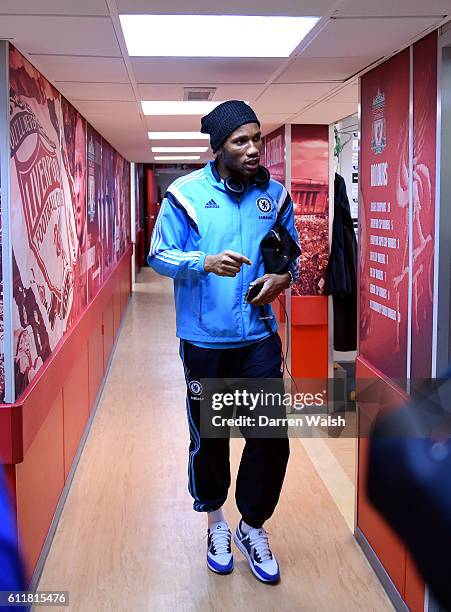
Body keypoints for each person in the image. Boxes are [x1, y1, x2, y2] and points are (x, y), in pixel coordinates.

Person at [148, 100, 300, 583]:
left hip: (258, 335)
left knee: (270, 437)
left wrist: (283, 278)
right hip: (206, 339)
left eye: (257, 138)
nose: (254, 148)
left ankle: (252, 525)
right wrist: (202, 262)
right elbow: (158, 254)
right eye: (241, 141)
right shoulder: (185, 195)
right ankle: (215, 520)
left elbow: (289, 255)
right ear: (218, 147)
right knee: (210, 437)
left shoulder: (273, 196)